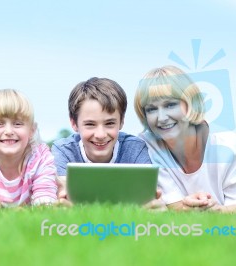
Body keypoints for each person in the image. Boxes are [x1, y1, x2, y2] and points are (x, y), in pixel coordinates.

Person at [134, 65, 236, 213]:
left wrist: (217, 210)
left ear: (190, 103)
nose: (162, 118)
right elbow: (173, 205)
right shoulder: (147, 146)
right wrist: (189, 206)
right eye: (151, 109)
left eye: (170, 105)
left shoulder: (228, 144)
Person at [51, 77, 164, 209]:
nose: (101, 135)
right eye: (90, 124)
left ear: (121, 121)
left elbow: (148, 197)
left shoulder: (135, 148)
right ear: (74, 123)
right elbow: (63, 193)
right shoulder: (63, 150)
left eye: (110, 123)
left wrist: (155, 206)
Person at [0, 89, 58, 208]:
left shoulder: (40, 157)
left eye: (17, 124)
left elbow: (45, 198)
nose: (9, 131)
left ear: (31, 129)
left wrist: (43, 204)